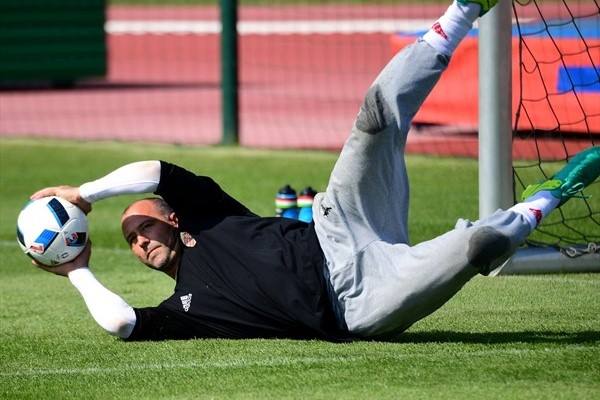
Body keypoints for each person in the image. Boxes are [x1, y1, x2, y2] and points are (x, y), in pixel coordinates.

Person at [30, 0, 600, 341]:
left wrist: (85, 193)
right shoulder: (185, 310)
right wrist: (77, 268)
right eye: (130, 240)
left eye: (143, 227)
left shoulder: (214, 216)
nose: (139, 241)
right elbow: (121, 325)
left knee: (376, 113)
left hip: (339, 226)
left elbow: (154, 170)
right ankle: (560, 186)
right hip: (358, 304)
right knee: (481, 244)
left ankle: (465, 8)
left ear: (175, 220)